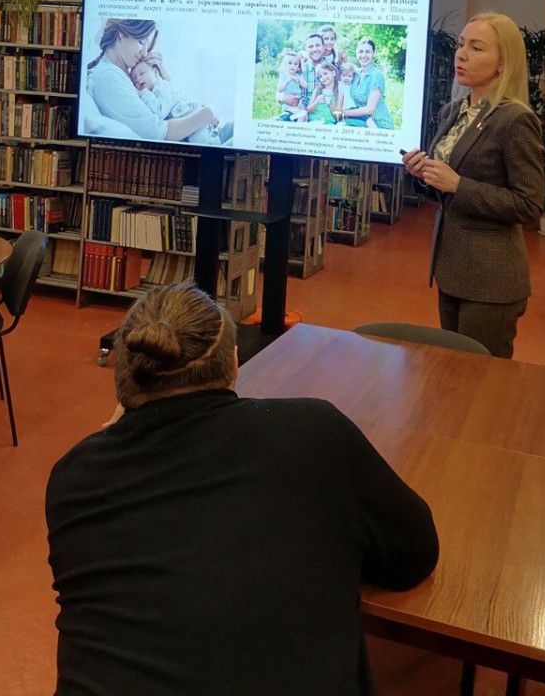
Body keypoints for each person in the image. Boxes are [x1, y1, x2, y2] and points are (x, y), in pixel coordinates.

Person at [46, 282, 439, 696]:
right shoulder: (314, 432)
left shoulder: (72, 479)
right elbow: (415, 554)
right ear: (234, 365)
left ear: (124, 380)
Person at [402, 12, 545, 359]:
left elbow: (529, 205)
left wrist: (458, 185)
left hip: (490, 279)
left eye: (476, 48)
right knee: (452, 369)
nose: (461, 55)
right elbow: (446, 190)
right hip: (451, 268)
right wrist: (424, 175)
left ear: (502, 62)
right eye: (461, 44)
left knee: (482, 379)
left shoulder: (515, 120)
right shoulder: (453, 111)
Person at [86, 18, 217, 142]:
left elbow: (169, 100)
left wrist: (160, 73)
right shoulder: (109, 77)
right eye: (141, 42)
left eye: (147, 48)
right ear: (121, 34)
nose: (144, 53)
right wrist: (205, 115)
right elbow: (158, 132)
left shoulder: (127, 72)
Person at [130, 59, 233, 144]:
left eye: (142, 73)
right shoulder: (156, 91)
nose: (138, 78)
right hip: (198, 122)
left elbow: (160, 111)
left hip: (197, 124)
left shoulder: (161, 87)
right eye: (134, 79)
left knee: (205, 144)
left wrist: (142, 93)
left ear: (156, 72)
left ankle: (222, 139)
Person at [345, 39, 394, 129]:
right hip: (362, 120)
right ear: (356, 53)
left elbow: (369, 109)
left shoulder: (376, 75)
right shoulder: (355, 74)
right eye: (360, 52)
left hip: (378, 124)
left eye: (367, 52)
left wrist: (343, 112)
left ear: (373, 53)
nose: (363, 55)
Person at [275, 48, 309, 121]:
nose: (292, 66)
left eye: (295, 64)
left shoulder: (298, 76)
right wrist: (287, 81)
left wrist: (299, 82)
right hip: (288, 104)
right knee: (300, 115)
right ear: (285, 64)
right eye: (290, 63)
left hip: (299, 102)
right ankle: (297, 125)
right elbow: (279, 89)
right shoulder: (284, 76)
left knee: (305, 115)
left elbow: (306, 86)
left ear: (298, 67)